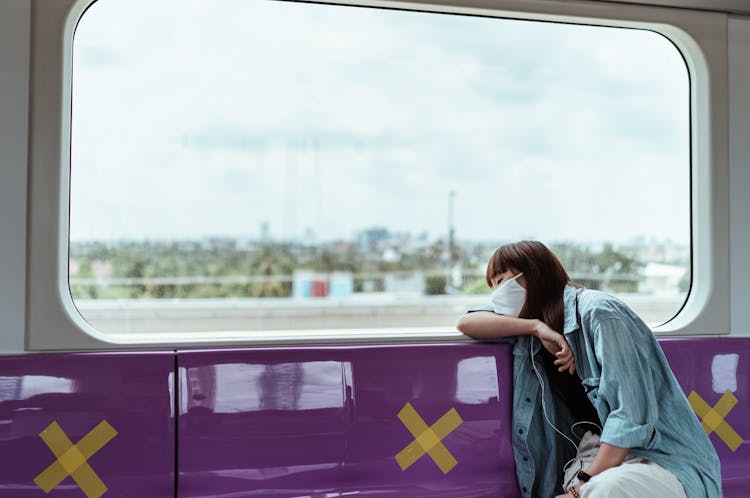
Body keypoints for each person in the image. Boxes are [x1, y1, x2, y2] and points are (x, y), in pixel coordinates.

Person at [456, 241, 722, 498]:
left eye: (502, 281)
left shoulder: (600, 314)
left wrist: (578, 489)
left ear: (533, 276)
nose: (497, 294)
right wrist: (536, 326)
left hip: (661, 460)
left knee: (603, 491)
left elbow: (629, 418)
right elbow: (468, 322)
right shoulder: (534, 330)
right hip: (599, 458)